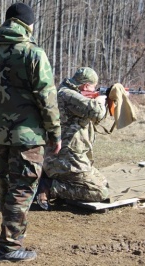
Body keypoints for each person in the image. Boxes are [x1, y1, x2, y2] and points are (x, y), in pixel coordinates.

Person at [0, 3, 61, 262]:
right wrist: (55, 133)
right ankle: (10, 246)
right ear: (28, 25)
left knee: (7, 183)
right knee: (22, 189)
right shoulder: (33, 53)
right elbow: (46, 98)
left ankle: (7, 234)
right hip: (28, 137)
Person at [37, 67, 109, 209]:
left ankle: (51, 179)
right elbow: (97, 112)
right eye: (93, 87)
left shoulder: (66, 92)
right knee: (100, 192)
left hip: (67, 154)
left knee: (103, 181)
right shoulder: (68, 95)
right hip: (65, 157)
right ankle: (50, 188)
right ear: (86, 86)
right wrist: (101, 100)